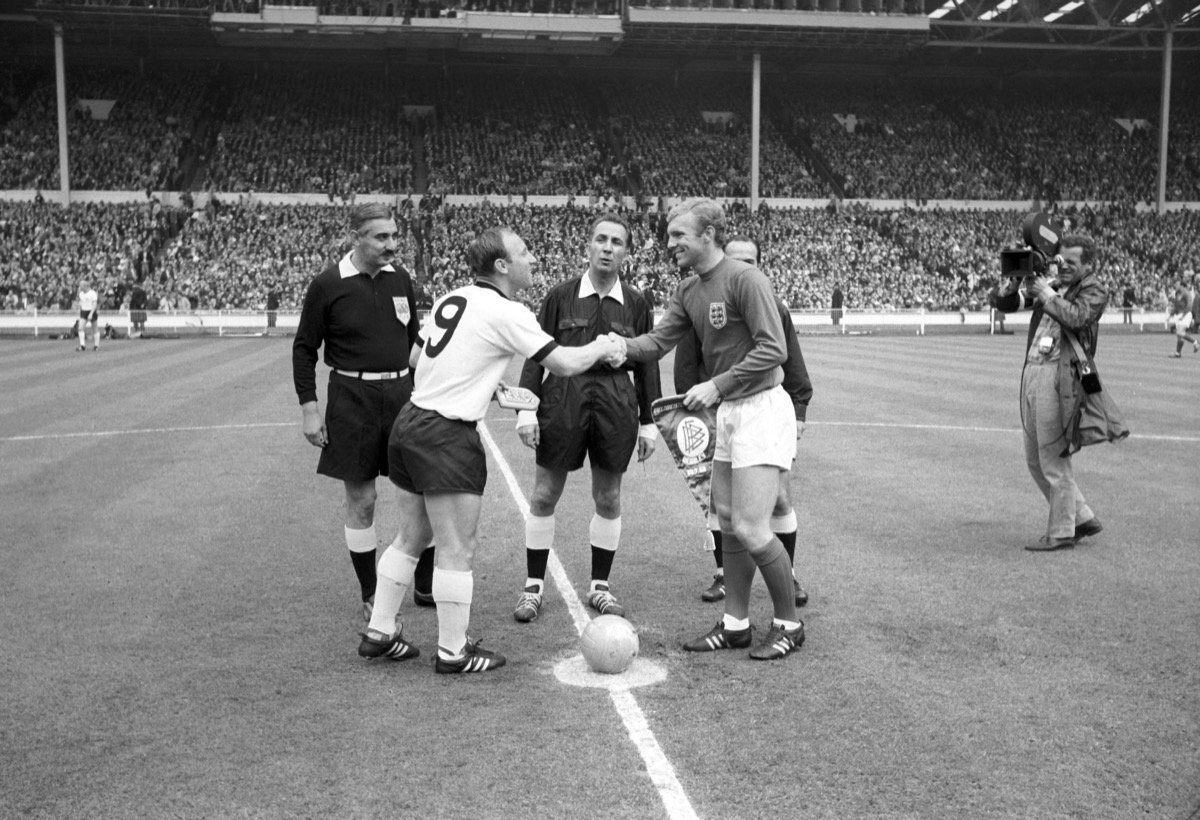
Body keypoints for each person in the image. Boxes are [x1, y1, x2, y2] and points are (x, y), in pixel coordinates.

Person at [358, 227, 622, 673]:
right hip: (445, 434)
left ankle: (380, 633)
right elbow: (563, 363)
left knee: (411, 537)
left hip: (411, 422)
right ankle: (453, 651)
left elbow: (416, 361)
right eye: (523, 252)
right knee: (457, 547)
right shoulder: (507, 310)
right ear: (502, 266)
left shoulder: (453, 296)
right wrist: (601, 344)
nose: (532, 258)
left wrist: (481, 378)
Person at [607, 198, 804, 661]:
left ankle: (789, 623)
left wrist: (716, 385)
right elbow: (658, 341)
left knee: (754, 527)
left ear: (709, 235)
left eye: (679, 235)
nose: (670, 242)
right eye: (670, 234)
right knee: (728, 525)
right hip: (728, 412)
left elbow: (773, 349)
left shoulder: (746, 279)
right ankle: (735, 624)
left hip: (758, 407)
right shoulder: (688, 290)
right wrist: (619, 347)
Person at [510, 213, 661, 623]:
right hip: (563, 397)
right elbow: (535, 355)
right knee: (544, 494)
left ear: (627, 252)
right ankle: (533, 587)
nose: (608, 247)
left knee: (609, 497)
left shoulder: (637, 302)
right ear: (588, 246)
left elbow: (647, 363)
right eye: (601, 239)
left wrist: (649, 421)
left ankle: (600, 587)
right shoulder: (559, 297)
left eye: (617, 242)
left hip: (616, 401)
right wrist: (527, 408)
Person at [292, 202, 434, 628]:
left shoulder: (402, 280)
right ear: (357, 237)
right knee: (363, 498)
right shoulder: (328, 284)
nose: (392, 245)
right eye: (382, 238)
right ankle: (371, 591)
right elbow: (304, 348)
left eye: (395, 236)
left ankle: (424, 583)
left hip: (403, 395)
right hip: (351, 395)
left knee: (421, 492)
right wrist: (310, 410)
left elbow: (414, 342)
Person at [675, 235, 812, 607]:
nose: (741, 267)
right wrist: (691, 413)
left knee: (779, 499)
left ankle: (788, 578)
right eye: (735, 259)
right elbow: (686, 363)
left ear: (759, 265)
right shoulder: (702, 298)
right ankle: (725, 578)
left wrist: (798, 411)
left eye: (749, 261)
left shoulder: (771, 305)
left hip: (764, 409)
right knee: (723, 506)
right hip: (718, 412)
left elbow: (790, 361)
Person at [990, 234, 1107, 551]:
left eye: (1072, 262)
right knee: (1034, 459)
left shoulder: (1093, 289)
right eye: (1060, 260)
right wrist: (1014, 284)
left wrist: (1046, 293)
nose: (1064, 266)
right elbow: (1005, 305)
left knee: (1053, 459)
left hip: (1060, 376)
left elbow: (1079, 317)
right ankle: (1081, 517)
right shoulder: (1051, 286)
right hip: (1033, 370)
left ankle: (1061, 532)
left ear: (1088, 264)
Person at [1166, 281, 1198, 358]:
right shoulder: (1177, 293)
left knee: (1180, 332)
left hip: (1186, 314)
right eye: (1175, 284)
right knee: (1179, 336)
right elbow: (1176, 306)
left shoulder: (1186, 293)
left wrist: (1183, 315)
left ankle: (1195, 342)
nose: (1175, 285)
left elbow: (1189, 306)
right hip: (1180, 315)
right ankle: (1178, 353)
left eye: (1176, 284)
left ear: (1181, 285)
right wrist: (1171, 315)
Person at [77, 278, 100, 351]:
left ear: (85, 286)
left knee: (94, 328)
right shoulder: (81, 294)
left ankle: (96, 346)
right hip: (84, 311)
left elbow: (94, 304)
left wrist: (91, 313)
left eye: (81, 286)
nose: (80, 287)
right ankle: (82, 345)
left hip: (91, 311)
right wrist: (80, 306)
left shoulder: (92, 293)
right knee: (80, 328)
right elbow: (81, 302)